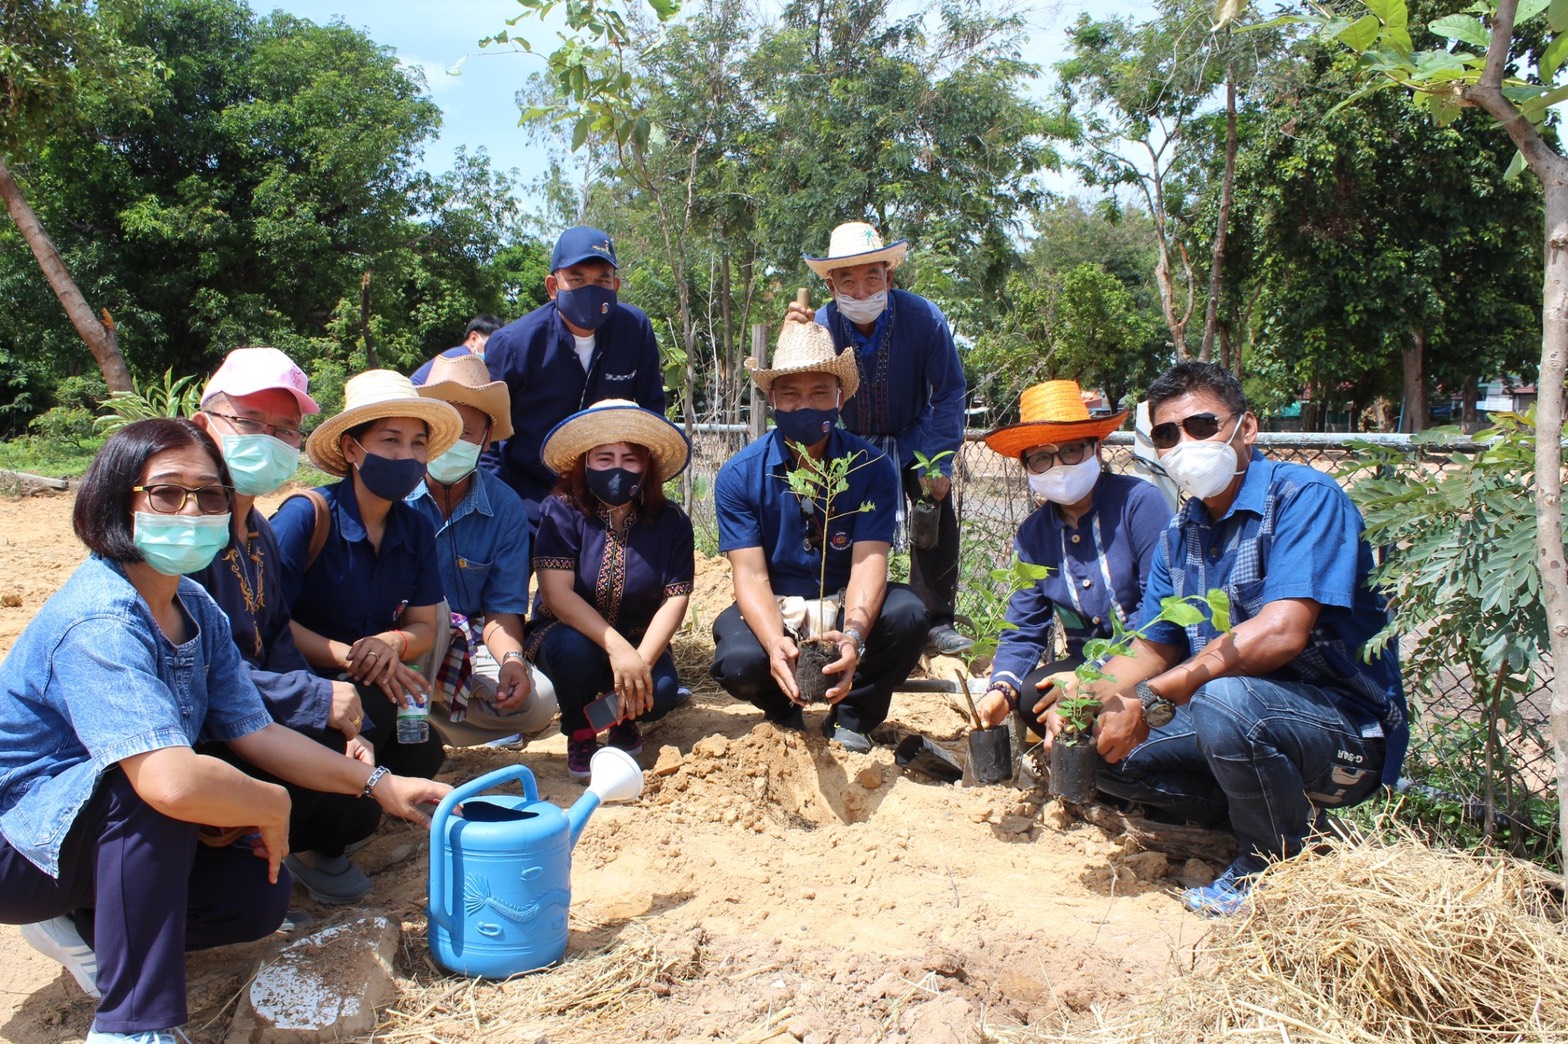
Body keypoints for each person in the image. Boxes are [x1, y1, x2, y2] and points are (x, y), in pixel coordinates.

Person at [1, 419, 449, 1044]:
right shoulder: (100, 620)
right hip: (23, 841)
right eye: (166, 493)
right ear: (114, 501)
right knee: (155, 784)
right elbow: (168, 782)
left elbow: (255, 730)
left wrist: (379, 783)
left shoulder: (193, 604)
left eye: (210, 495)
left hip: (92, 836)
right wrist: (270, 802)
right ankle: (133, 1026)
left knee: (254, 898)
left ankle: (82, 917)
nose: (193, 510)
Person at [1042, 361, 1407, 917]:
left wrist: (1150, 699)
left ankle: (1272, 861)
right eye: (1166, 435)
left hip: (1342, 732)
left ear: (1247, 429)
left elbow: (1283, 632)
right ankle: (1244, 816)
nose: (1183, 444)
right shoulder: (1179, 534)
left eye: (1201, 426)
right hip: (1230, 716)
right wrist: (1089, 694)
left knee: (1223, 697)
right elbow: (1154, 643)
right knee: (1097, 743)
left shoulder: (1305, 497)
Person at [187, 347, 383, 905]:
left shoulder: (260, 532)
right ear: (206, 425)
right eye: (250, 422)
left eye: (286, 429)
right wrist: (312, 699)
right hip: (201, 728)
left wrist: (321, 701)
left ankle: (285, 857)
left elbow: (274, 636)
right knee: (319, 748)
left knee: (357, 755)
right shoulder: (187, 531)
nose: (269, 440)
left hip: (256, 705)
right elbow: (198, 670)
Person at [709, 321, 929, 753]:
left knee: (908, 615)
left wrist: (854, 637)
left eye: (819, 393)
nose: (804, 405)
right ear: (771, 399)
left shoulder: (871, 468)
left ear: (840, 398)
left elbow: (870, 561)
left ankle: (853, 717)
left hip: (846, 597)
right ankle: (783, 710)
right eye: (790, 394)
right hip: (780, 604)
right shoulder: (739, 475)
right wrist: (774, 642)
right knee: (739, 662)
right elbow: (750, 576)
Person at [786, 221, 969, 657]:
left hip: (914, 436)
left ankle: (935, 621)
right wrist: (793, 338)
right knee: (831, 517)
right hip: (845, 439)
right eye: (847, 279)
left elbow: (949, 392)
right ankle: (835, 613)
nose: (861, 288)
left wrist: (938, 463)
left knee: (933, 508)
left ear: (889, 277)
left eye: (872, 276)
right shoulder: (822, 326)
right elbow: (794, 385)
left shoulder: (924, 318)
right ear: (830, 284)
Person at [271, 370, 464, 782]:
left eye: (417, 444)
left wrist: (390, 643)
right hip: (302, 679)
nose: (406, 456)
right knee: (371, 712)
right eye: (390, 440)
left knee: (422, 754)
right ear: (351, 448)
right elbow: (270, 622)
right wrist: (352, 655)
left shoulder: (415, 528)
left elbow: (424, 625)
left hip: (370, 675)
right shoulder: (306, 517)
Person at [971, 381, 1172, 745]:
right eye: (1042, 458)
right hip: (1083, 665)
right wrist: (1001, 688)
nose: (1058, 466)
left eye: (1072, 450)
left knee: (1101, 709)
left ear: (1097, 450)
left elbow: (1157, 610)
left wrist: (1095, 675)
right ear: (1027, 466)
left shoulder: (1138, 504)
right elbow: (1024, 625)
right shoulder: (1033, 535)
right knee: (1033, 695)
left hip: (1150, 657)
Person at [525, 399, 695, 779]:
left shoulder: (672, 523)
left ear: (646, 465)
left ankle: (621, 719)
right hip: (565, 637)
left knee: (662, 691)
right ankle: (580, 730)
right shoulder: (561, 510)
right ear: (585, 463)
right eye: (604, 458)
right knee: (574, 652)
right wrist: (617, 648)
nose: (617, 468)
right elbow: (557, 594)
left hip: (639, 639)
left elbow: (676, 597)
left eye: (629, 458)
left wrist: (641, 661)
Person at [408, 353, 560, 745]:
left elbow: (502, 610)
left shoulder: (505, 506)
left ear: (487, 438)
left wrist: (512, 658)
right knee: (435, 616)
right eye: (441, 430)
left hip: (471, 641)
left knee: (539, 701)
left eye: (466, 433)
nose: (451, 444)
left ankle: (429, 721)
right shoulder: (394, 496)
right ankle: (412, 722)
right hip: (402, 640)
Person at [481, 226, 666, 523]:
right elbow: (485, 431)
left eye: (602, 280)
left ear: (616, 285)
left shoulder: (634, 330)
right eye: (577, 279)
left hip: (606, 493)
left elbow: (652, 410)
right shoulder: (515, 344)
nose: (590, 289)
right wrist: (501, 507)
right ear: (553, 286)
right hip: (527, 495)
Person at [410, 314, 504, 386]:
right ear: (474, 338)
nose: (493, 351)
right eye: (491, 344)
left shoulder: (457, 354)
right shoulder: (462, 358)